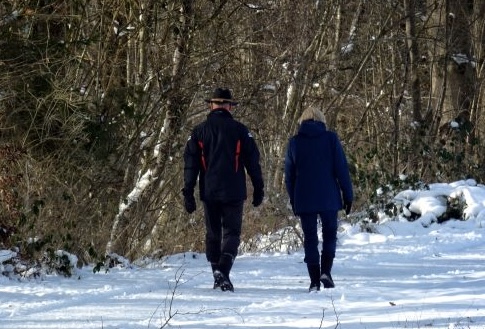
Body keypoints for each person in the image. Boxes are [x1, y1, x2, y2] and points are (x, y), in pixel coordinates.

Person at [182, 87, 264, 292]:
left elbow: (190, 165)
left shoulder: (198, 131)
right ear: (229, 107)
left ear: (211, 105)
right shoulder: (240, 130)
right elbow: (253, 162)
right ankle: (223, 272)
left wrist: (188, 192)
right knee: (232, 232)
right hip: (234, 190)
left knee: (213, 233)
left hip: (209, 191)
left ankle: (218, 274)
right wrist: (258, 187)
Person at [284, 106, 353, 292]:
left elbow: (289, 175)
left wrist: (293, 198)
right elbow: (341, 169)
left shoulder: (294, 143)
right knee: (330, 234)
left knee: (310, 238)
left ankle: (314, 280)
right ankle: (326, 272)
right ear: (322, 121)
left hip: (304, 198)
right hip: (328, 196)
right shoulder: (331, 139)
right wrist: (348, 195)